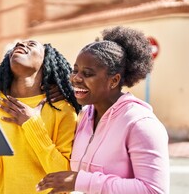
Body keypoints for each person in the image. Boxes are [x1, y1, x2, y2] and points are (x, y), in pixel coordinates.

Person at [36, 26, 170, 194]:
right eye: (75, 70)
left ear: (114, 81)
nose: (76, 78)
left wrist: (80, 181)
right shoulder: (85, 115)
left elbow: (153, 190)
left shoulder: (140, 124)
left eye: (87, 73)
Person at [0, 40, 81, 194]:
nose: (20, 44)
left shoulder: (62, 108)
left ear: (45, 62)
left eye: (31, 44)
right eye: (17, 45)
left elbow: (63, 171)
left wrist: (32, 124)